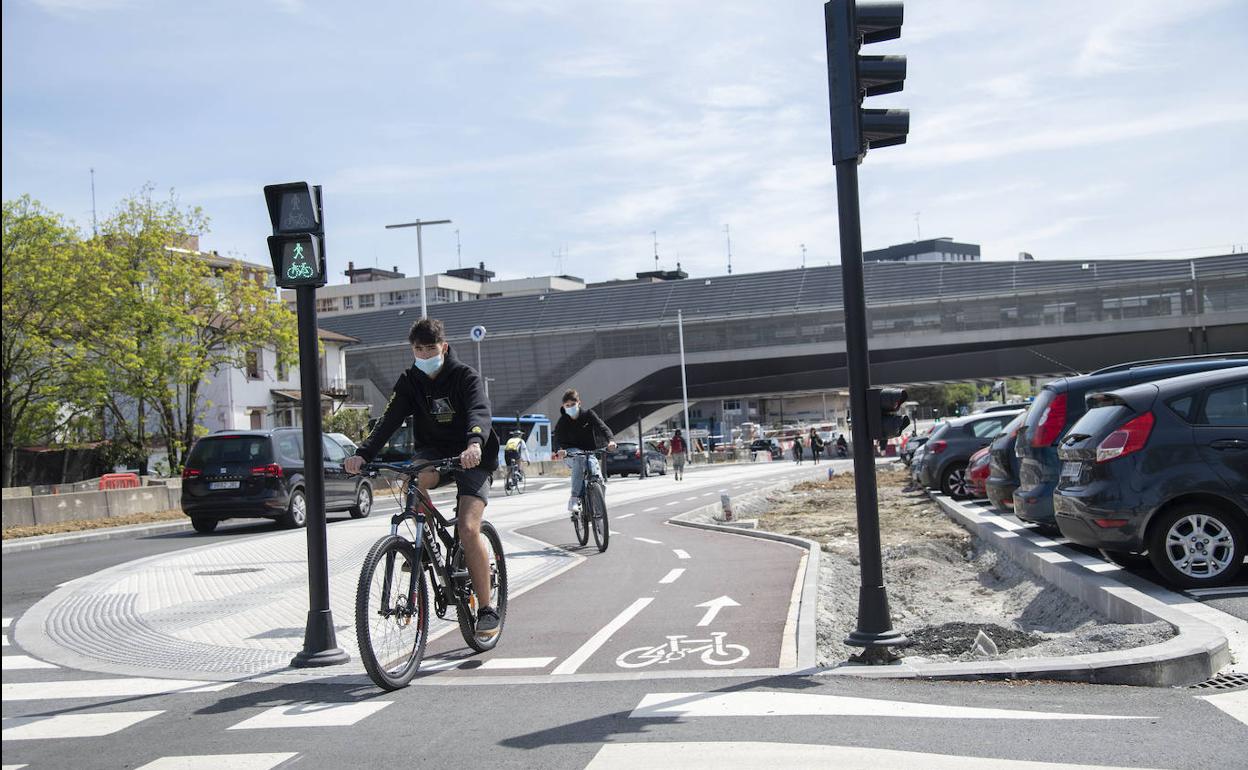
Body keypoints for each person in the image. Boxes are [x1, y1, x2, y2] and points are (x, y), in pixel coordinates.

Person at [344, 318, 502, 639]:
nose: (424, 354)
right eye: (418, 349)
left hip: (473, 455)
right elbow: (389, 420)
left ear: (443, 347)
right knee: (410, 482)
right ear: (412, 350)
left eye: (430, 348)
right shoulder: (410, 381)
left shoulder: (464, 376)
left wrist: (474, 442)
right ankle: (421, 549)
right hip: (434, 453)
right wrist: (364, 453)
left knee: (468, 528)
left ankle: (486, 608)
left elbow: (478, 411)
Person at [552, 389, 616, 514]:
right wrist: (559, 450)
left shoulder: (588, 415)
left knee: (599, 481)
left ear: (579, 403)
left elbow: (603, 427)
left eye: (573, 404)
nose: (570, 407)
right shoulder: (563, 421)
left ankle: (599, 516)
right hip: (570, 453)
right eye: (567, 406)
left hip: (588, 451)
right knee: (579, 459)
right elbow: (557, 438)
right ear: (564, 407)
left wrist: (611, 441)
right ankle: (574, 498)